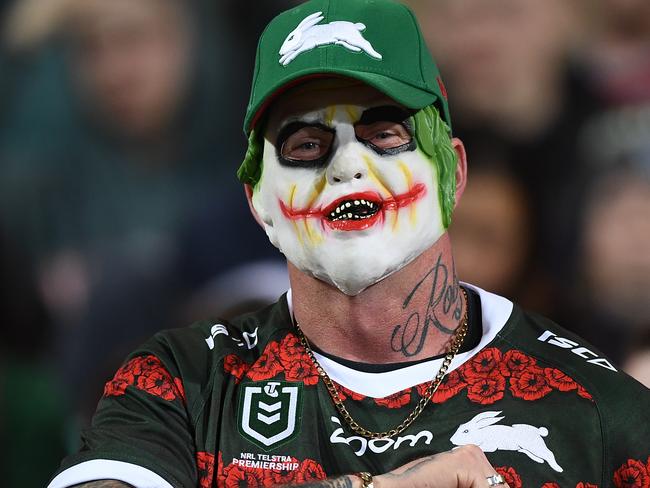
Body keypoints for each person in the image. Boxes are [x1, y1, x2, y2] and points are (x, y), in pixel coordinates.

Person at [47, 1, 650, 487]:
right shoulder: (183, 384)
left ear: (452, 175)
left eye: (384, 134)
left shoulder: (599, 412)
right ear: (258, 200)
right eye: (306, 146)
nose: (347, 167)